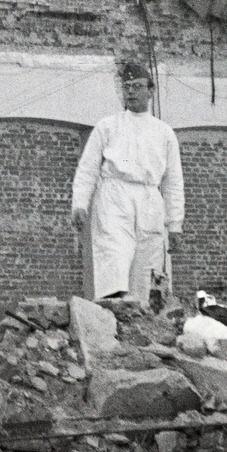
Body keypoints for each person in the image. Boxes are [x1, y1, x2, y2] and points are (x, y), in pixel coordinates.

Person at [70, 64, 184, 304]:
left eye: (137, 87)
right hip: (115, 196)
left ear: (150, 91)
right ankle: (111, 316)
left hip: (149, 199)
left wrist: (175, 225)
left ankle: (141, 320)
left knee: (147, 266)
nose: (131, 92)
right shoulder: (108, 126)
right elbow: (88, 168)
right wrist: (80, 203)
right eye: (127, 88)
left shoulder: (164, 132)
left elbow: (173, 181)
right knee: (115, 255)